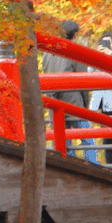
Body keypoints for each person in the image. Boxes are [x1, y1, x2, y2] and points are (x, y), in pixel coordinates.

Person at [43, 20, 94, 161]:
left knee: (63, 140)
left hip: (53, 100)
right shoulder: (74, 51)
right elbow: (83, 81)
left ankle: (69, 166)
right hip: (73, 101)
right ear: (75, 35)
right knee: (87, 137)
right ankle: (93, 164)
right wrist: (86, 105)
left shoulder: (48, 52)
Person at [88, 33, 112, 165]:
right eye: (103, 43)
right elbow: (89, 76)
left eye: (109, 43)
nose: (106, 46)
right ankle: (110, 166)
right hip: (104, 103)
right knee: (107, 138)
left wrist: (110, 57)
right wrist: (97, 58)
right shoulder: (95, 61)